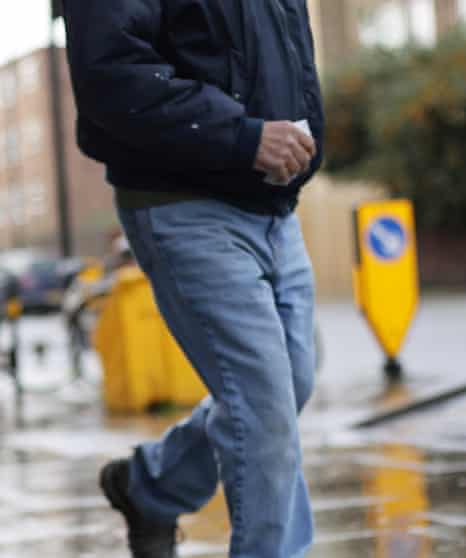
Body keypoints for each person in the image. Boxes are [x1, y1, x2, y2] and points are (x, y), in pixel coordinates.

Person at [60, 2, 325, 557]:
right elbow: (110, 73)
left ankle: (150, 487)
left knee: (290, 383)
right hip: (185, 205)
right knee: (263, 412)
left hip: (275, 203)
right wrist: (243, 136)